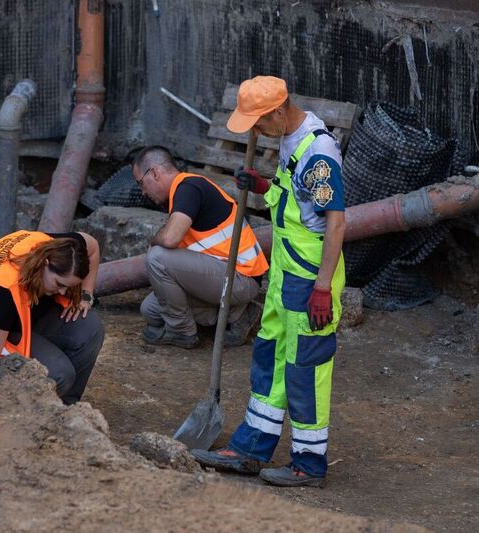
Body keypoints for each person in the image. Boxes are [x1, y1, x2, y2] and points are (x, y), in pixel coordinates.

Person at [191, 76, 346, 488]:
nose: (256, 132)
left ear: (278, 111)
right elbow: (296, 195)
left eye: (258, 123)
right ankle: (252, 446)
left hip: (309, 275)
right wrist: (260, 185)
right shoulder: (288, 139)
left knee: (305, 367)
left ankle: (309, 465)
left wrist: (322, 287)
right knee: (271, 354)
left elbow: (335, 223)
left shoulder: (319, 153)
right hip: (284, 271)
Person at [0, 229, 104, 405]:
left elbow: (92, 248)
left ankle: (67, 408)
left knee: (90, 327)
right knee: (58, 374)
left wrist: (86, 295)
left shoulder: (61, 249)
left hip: (23, 314)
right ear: (45, 263)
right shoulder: (0, 291)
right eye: (59, 284)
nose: (64, 292)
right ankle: (31, 417)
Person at [132, 146, 269, 349]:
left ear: (154, 173)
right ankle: (239, 314)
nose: (143, 192)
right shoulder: (182, 192)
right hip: (223, 276)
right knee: (150, 309)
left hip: (241, 278)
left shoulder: (188, 187)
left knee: (157, 257)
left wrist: (155, 239)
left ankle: (181, 331)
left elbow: (170, 238)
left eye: (141, 183)